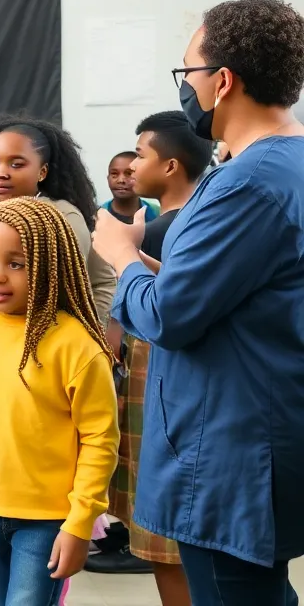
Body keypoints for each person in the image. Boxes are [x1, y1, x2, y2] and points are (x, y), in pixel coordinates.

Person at [95, 0, 304, 606]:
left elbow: (170, 315)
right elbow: (242, 287)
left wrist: (123, 254)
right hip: (256, 431)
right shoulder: (280, 165)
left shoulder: (249, 183)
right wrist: (163, 270)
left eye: (187, 71)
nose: (185, 87)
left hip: (228, 452)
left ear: (223, 80)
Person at [0, 198, 119, 605]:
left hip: (48, 520)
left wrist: (79, 524)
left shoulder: (77, 344)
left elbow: (100, 439)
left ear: (50, 265)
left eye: (17, 264)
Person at [93, 110, 212, 604]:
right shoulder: (180, 222)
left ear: (169, 166)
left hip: (168, 394)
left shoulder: (172, 227)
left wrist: (126, 257)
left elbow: (168, 312)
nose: (130, 165)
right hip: (163, 390)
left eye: (140, 154)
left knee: (172, 535)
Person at [0, 115, 117, 323]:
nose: (1, 173)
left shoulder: (63, 216)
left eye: (16, 165)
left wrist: (87, 332)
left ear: (42, 172)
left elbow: (63, 292)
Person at [101, 151, 160, 225]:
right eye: (114, 174)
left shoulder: (157, 214)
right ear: (108, 178)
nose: (121, 180)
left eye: (129, 173)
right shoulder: (97, 216)